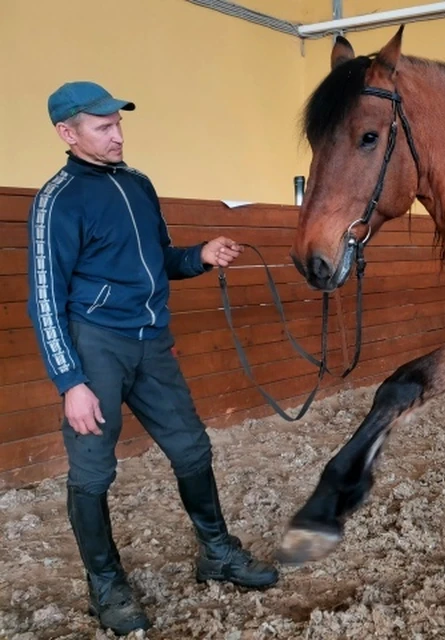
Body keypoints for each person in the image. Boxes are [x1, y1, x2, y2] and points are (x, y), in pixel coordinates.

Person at [27, 81, 279, 635]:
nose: (117, 135)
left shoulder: (138, 184)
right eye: (103, 127)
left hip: (152, 342)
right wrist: (71, 381)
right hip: (95, 347)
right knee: (93, 471)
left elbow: (160, 258)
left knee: (191, 447)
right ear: (68, 134)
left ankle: (216, 552)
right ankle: (105, 584)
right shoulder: (58, 199)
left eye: (118, 124)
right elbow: (44, 295)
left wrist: (200, 255)